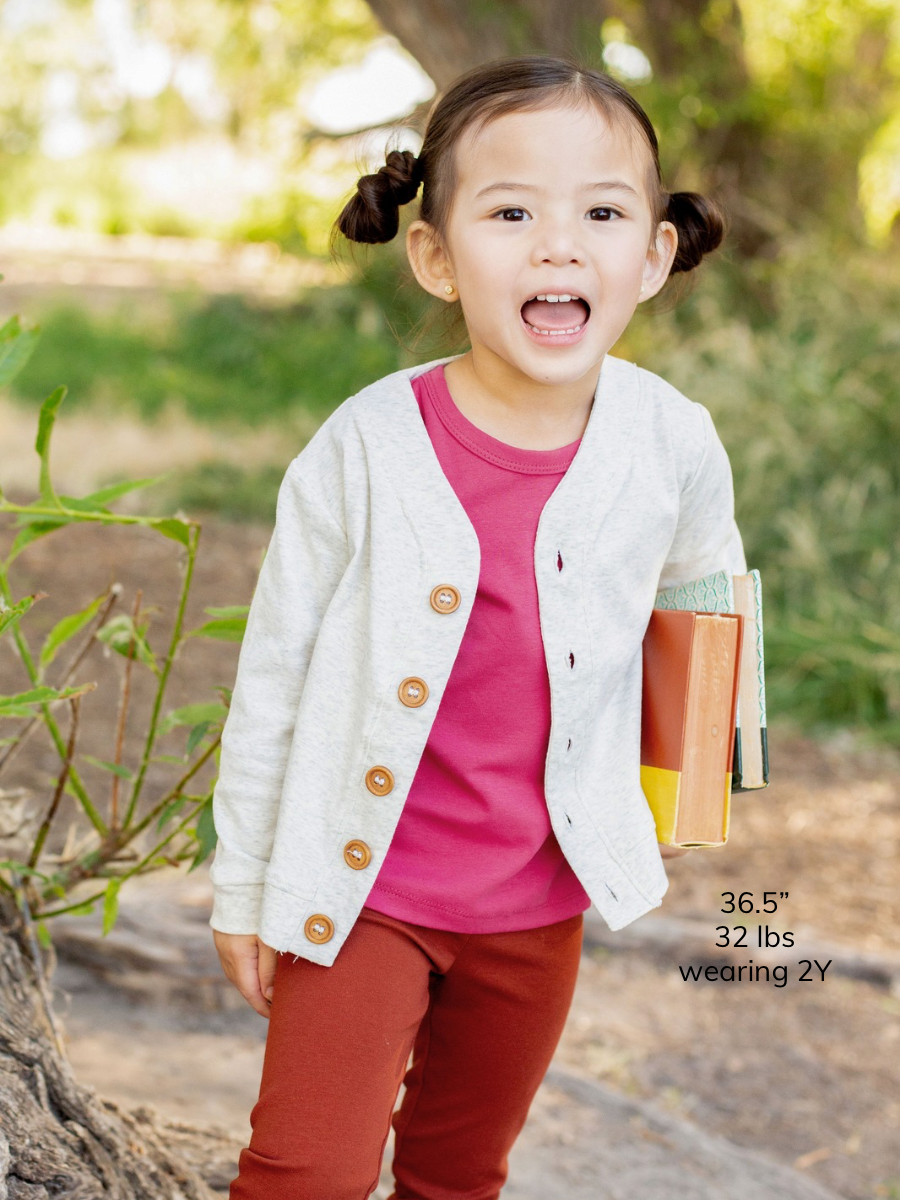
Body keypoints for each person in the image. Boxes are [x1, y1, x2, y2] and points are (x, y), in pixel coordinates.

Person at [209, 54, 746, 1200]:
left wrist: (683, 801)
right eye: (511, 213)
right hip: (359, 898)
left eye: (602, 213)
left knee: (459, 1173)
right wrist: (247, 885)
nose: (559, 246)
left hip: (538, 909)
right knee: (303, 1173)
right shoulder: (364, 448)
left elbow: (705, 594)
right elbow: (276, 674)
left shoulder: (673, 440)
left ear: (652, 256)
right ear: (438, 257)